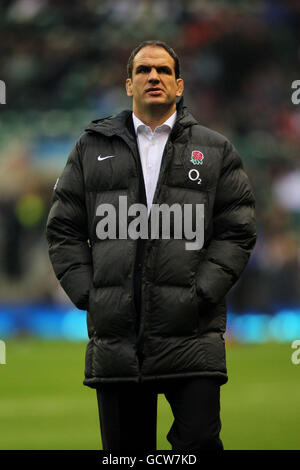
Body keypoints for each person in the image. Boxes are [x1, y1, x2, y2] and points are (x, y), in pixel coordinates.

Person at [46, 40, 256, 451]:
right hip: (119, 338)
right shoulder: (91, 147)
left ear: (179, 85)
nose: (153, 77)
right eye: (143, 70)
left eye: (162, 71)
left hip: (192, 332)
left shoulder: (216, 150)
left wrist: (202, 291)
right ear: (129, 85)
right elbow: (63, 229)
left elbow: (238, 229)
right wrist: (91, 293)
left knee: (198, 444)